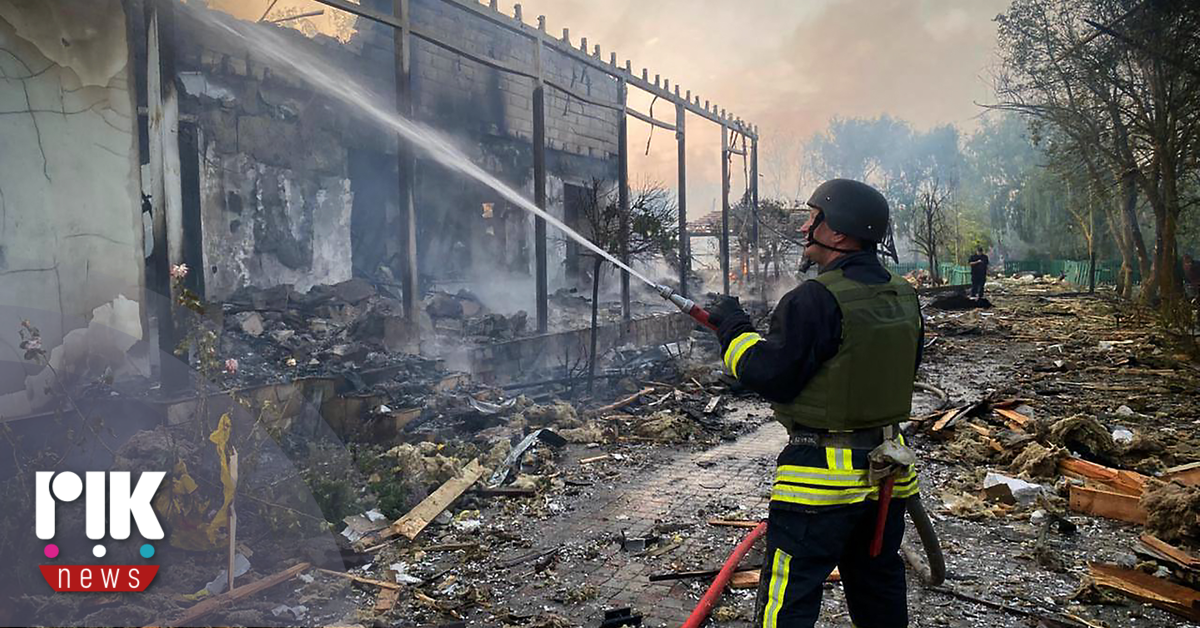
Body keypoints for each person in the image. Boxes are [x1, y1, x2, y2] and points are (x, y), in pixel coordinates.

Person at [707, 179, 922, 628]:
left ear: (838, 233)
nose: (807, 226)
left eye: (815, 218)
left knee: (791, 595)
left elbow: (770, 375)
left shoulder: (816, 297)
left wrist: (732, 327)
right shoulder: (904, 295)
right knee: (879, 587)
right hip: (888, 476)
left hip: (820, 481)